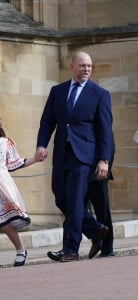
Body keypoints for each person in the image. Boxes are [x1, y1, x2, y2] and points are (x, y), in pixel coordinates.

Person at [35, 51, 113, 262]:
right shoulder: (57, 91)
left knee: (76, 200)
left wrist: (104, 160)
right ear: (72, 67)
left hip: (84, 155)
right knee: (61, 197)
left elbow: (105, 130)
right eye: (82, 65)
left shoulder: (100, 94)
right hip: (61, 154)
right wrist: (41, 144)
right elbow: (47, 122)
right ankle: (95, 229)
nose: (86, 69)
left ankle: (71, 249)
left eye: (89, 65)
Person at [0, 118, 42, 266]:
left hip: (2, 187)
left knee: (4, 224)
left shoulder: (5, 143)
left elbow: (17, 163)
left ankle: (20, 250)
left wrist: (35, 159)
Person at [85, 136, 115, 257]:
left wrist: (105, 161)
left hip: (99, 165)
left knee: (102, 208)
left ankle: (107, 248)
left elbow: (107, 137)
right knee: (73, 206)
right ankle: (68, 248)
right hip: (79, 164)